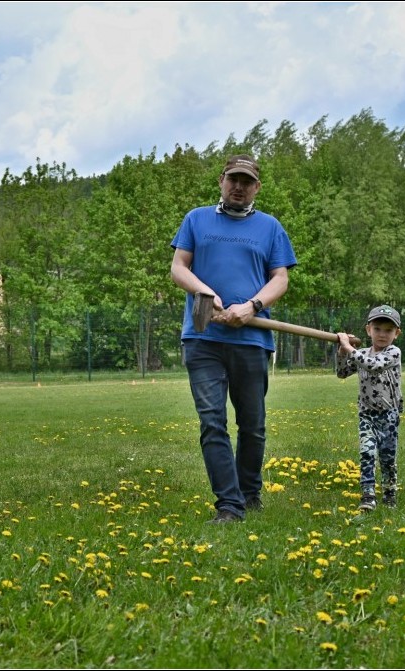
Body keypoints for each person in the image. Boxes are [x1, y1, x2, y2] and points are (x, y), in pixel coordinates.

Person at [170, 154, 297, 524]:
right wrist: (206, 294)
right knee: (212, 420)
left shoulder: (270, 227)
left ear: (257, 187)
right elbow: (179, 267)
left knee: (252, 425)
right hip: (203, 337)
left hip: (252, 340)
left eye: (247, 181)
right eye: (233, 179)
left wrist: (253, 306)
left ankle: (249, 492)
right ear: (221, 181)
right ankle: (229, 505)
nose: (238, 187)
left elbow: (280, 278)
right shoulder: (196, 219)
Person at [335, 305, 404, 511]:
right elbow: (342, 373)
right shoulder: (361, 352)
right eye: (377, 329)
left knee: (387, 457)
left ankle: (390, 492)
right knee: (367, 452)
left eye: (388, 330)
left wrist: (349, 348)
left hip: (389, 414)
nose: (382, 334)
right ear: (368, 330)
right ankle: (367, 495)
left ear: (396, 334)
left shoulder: (393, 352)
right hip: (367, 414)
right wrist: (341, 352)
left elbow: (373, 365)